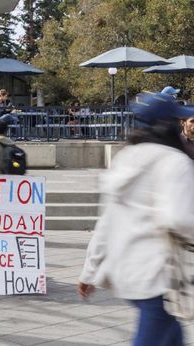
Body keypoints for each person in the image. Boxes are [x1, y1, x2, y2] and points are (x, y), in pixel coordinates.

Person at [78, 92, 194, 346]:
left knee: (172, 336)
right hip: (159, 275)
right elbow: (180, 218)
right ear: (169, 125)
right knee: (155, 334)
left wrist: (90, 271)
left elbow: (106, 222)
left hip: (127, 272)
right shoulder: (174, 162)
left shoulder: (125, 158)